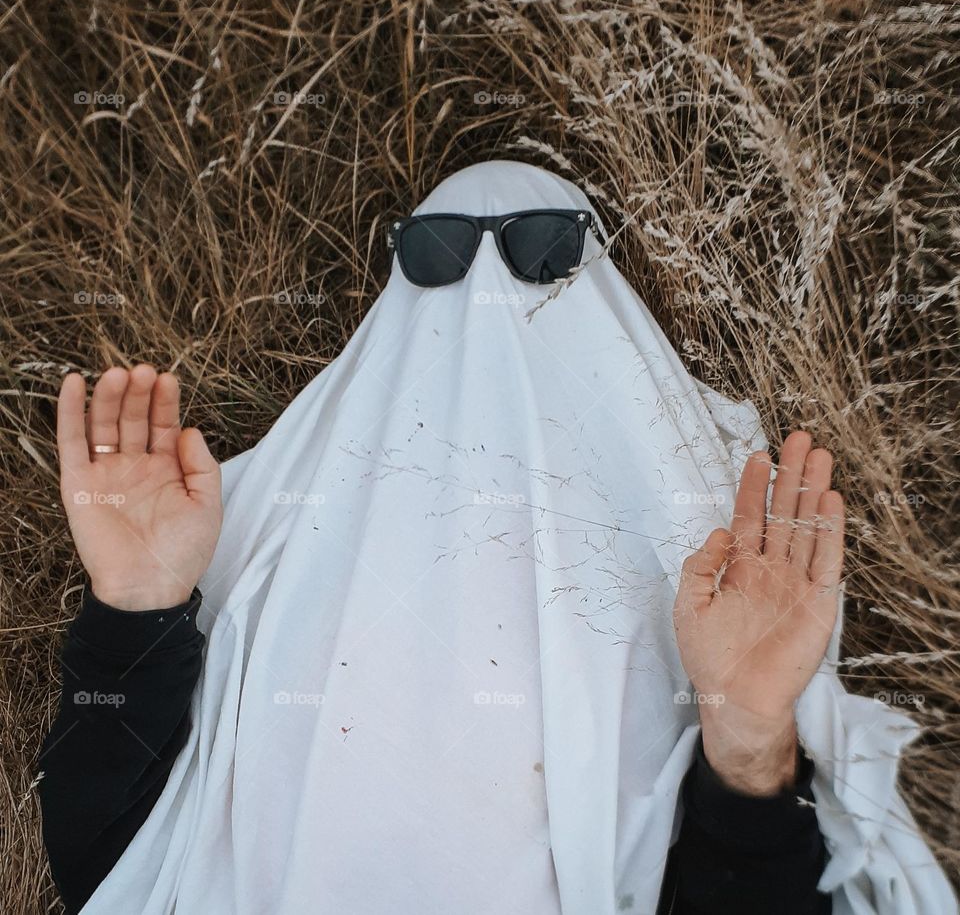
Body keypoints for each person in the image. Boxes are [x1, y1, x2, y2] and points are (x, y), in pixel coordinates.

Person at [37, 162, 956, 914]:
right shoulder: (273, 540)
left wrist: (746, 732)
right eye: (433, 259)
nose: (484, 289)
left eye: (544, 257)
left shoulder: (699, 561)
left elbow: (111, 869)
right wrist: (140, 597)